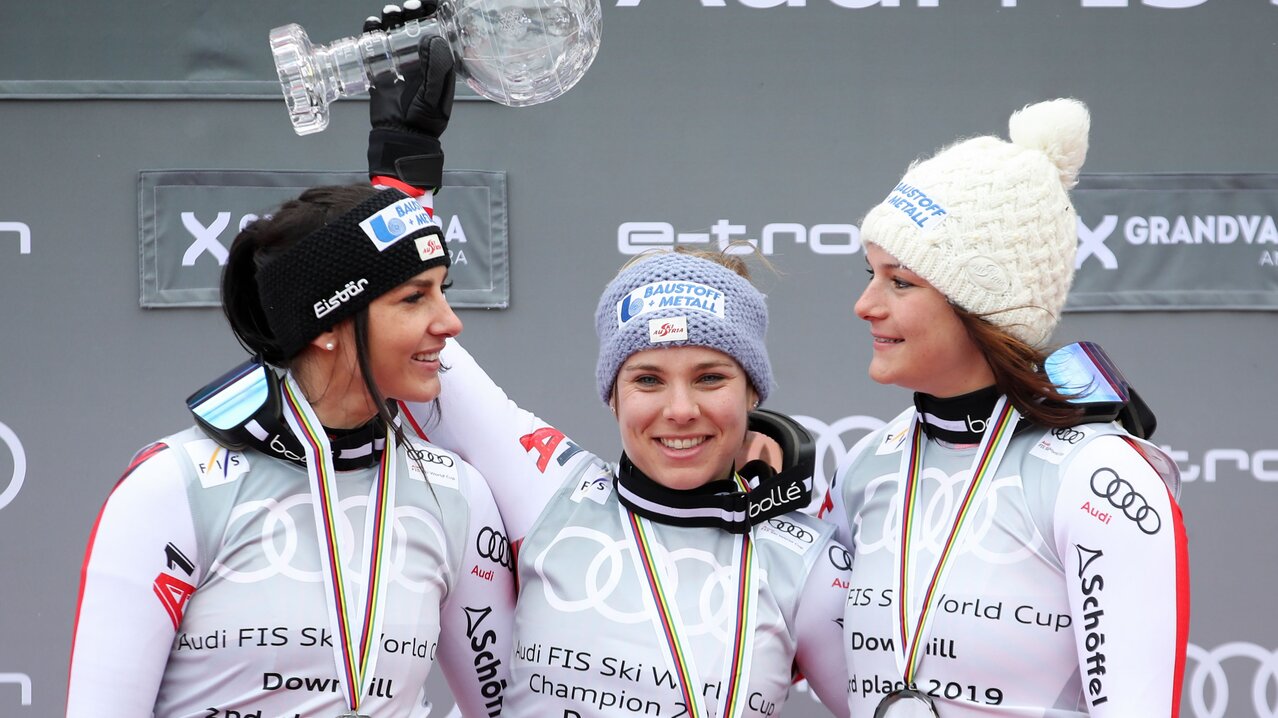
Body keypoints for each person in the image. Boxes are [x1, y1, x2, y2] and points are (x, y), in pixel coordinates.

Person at [66, 31, 514, 718]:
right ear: (327, 326)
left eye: (443, 291)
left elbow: (508, 707)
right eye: (414, 299)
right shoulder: (174, 487)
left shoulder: (454, 493)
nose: (449, 323)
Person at [824, 98, 1190, 717]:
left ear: (983, 306)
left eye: (900, 281)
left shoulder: (1095, 476)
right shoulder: (868, 464)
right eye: (871, 273)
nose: (866, 305)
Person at [398, 252, 853, 718]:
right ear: (612, 395)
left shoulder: (807, 562)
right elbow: (398, 328)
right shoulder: (549, 487)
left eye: (710, 378)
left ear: (752, 391)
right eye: (649, 380)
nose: (680, 410)